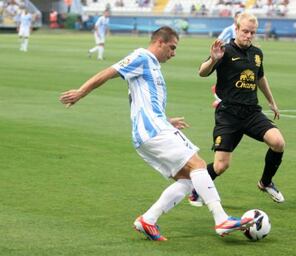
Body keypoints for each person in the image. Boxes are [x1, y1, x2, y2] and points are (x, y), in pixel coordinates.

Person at [59, 26, 253, 241]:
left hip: (153, 130)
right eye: (172, 47)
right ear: (159, 42)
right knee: (198, 165)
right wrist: (80, 92)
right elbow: (108, 72)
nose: (173, 53)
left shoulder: (152, 66)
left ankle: (148, 220)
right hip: (153, 131)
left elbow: (138, 102)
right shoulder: (142, 56)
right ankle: (221, 219)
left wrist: (166, 120)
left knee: (188, 180)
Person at [190, 12, 286, 206]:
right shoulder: (224, 50)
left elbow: (260, 77)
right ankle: (196, 189)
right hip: (228, 115)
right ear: (236, 29)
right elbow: (202, 72)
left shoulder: (257, 53)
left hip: (252, 112)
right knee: (221, 165)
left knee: (278, 142)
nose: (248, 36)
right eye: (245, 31)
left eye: (252, 32)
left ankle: (265, 182)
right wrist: (214, 59)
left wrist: (271, 101)